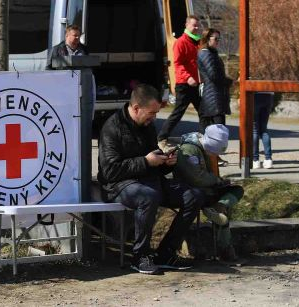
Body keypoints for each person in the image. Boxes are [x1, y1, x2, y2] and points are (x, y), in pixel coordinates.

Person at [98, 84, 205, 275]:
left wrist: (166, 163)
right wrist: (146, 162)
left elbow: (153, 161)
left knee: (193, 195)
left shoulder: (146, 125)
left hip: (149, 180)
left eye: (156, 113)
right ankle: (140, 256)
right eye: (151, 113)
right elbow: (110, 171)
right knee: (148, 196)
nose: (154, 118)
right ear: (137, 108)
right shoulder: (111, 128)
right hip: (119, 185)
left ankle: (166, 253)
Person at [173, 124, 244, 261]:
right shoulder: (189, 149)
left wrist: (220, 182)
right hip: (192, 191)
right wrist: (216, 181)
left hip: (207, 188)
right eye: (215, 152)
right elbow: (196, 178)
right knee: (222, 219)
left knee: (237, 190)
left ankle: (219, 206)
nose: (215, 155)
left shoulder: (204, 149)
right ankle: (226, 250)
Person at [158, 15, 202, 150]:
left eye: (198, 25)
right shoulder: (181, 42)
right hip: (184, 84)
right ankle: (161, 138)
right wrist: (188, 77)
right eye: (194, 25)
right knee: (178, 112)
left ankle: (206, 142)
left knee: (205, 113)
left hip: (196, 84)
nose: (197, 28)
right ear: (187, 25)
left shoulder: (197, 42)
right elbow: (178, 64)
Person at [197, 29, 233, 132]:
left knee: (211, 132)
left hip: (214, 96)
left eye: (219, 39)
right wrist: (228, 81)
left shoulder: (211, 54)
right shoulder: (206, 54)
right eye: (216, 39)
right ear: (207, 39)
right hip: (213, 97)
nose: (218, 41)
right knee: (219, 132)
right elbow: (213, 76)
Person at [253, 92, 274, 169]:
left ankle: (255, 160)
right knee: (264, 129)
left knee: (254, 130)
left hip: (255, 94)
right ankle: (268, 159)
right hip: (268, 95)